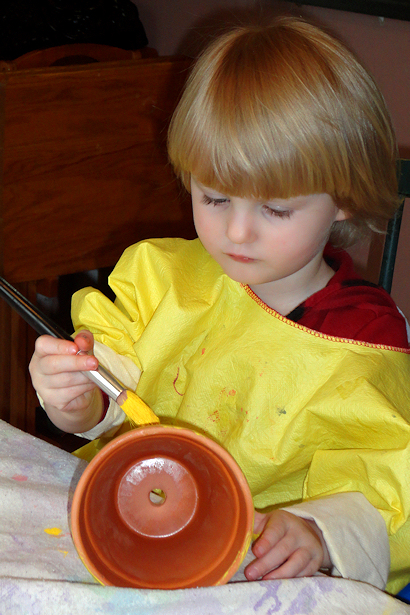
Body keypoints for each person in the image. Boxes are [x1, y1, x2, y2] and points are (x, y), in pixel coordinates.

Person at [29, 17, 410, 593]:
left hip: (263, 578)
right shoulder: (162, 278)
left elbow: (389, 491)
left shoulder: (364, 340)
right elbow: (108, 396)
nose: (236, 231)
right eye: (214, 196)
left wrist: (319, 532)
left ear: (345, 200)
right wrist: (76, 402)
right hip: (140, 537)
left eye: (276, 210)